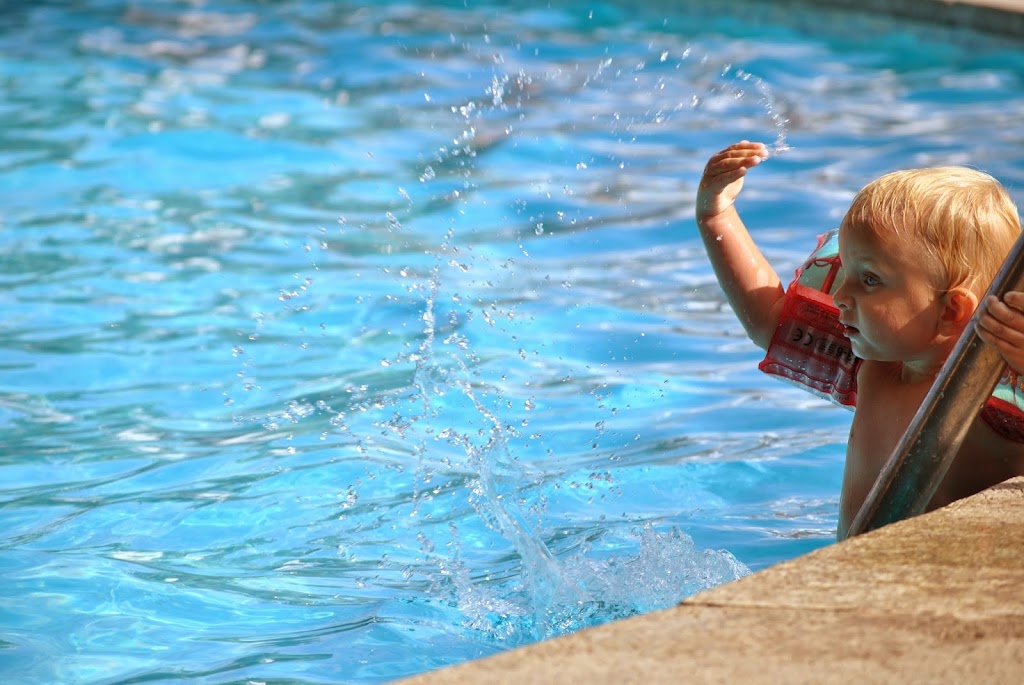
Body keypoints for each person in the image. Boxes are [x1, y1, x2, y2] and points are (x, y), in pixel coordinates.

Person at [695, 140, 1024, 539]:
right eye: (846, 271)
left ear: (951, 309)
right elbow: (770, 323)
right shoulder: (875, 366)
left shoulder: (998, 397)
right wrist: (717, 216)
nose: (840, 295)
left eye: (869, 280)